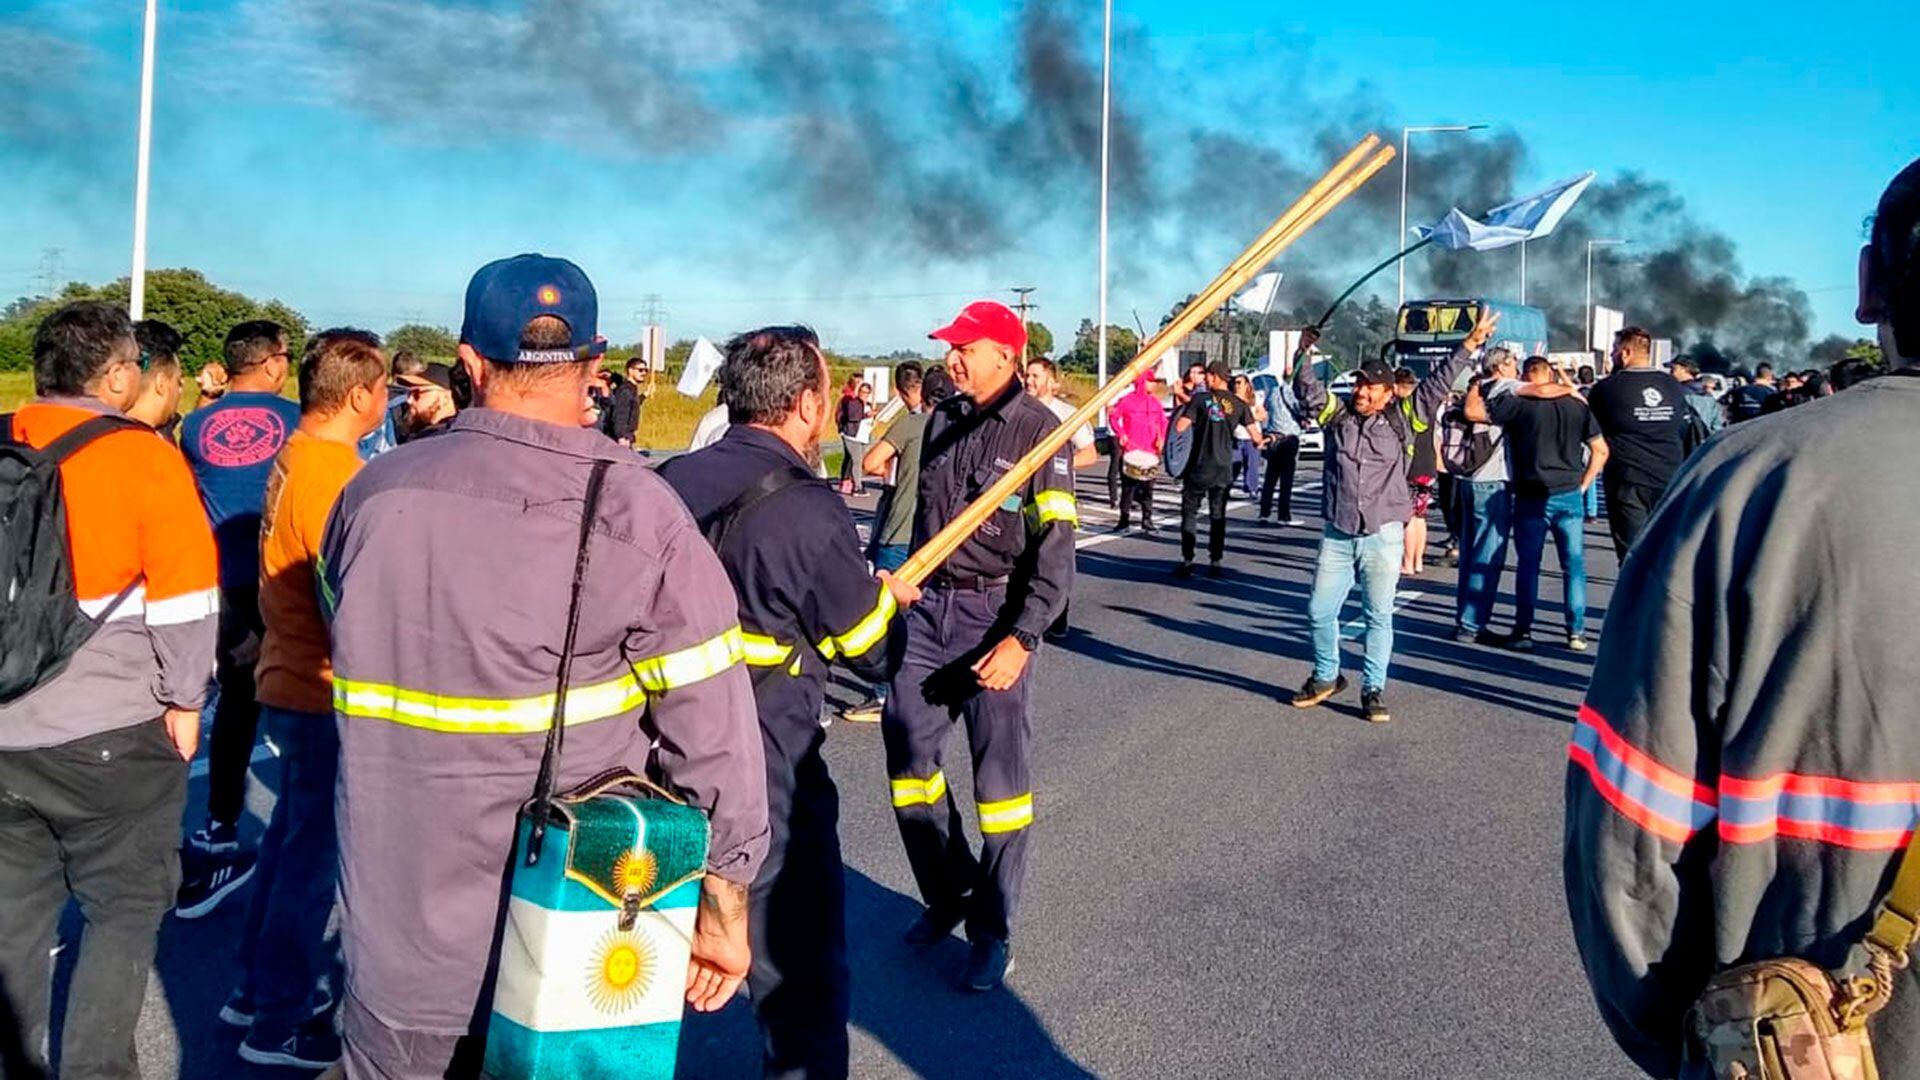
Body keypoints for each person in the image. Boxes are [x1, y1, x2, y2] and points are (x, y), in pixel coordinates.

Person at [320, 254, 769, 1076]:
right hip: (567, 941)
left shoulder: (370, 495)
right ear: (596, 366)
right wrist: (724, 901)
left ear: (468, 360)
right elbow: (716, 737)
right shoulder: (641, 511)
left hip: (393, 955)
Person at [1564, 157, 1920, 1079]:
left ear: (1870, 283)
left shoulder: (1749, 481)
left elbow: (1630, 834)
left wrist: (1693, 1042)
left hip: (1826, 1038)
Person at [660, 326, 920, 1079]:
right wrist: (885, 601)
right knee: (801, 990)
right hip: (767, 770)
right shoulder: (808, 508)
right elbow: (872, 651)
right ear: (808, 404)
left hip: (658, 763)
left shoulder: (668, 482)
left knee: (628, 988)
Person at [0, 301, 219, 1079]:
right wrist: (187, 704)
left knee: (13, 922)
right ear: (121, 375)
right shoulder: (144, 458)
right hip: (111, 730)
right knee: (122, 914)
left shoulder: (6, 436)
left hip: (4, 731)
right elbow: (187, 604)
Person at [884, 299, 1075, 992]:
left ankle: (992, 932)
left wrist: (1024, 636)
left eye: (965, 346)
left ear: (1006, 352)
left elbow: (1056, 550)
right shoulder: (942, 419)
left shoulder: (1041, 432)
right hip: (930, 611)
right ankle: (948, 892)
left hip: (996, 617)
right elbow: (924, 520)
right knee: (907, 758)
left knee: (1001, 792)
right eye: (949, 346)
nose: (951, 358)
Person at [222, 330, 389, 1070]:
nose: (388, 403)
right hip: (322, 682)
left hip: (285, 672)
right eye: (385, 389)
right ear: (359, 395)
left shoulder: (295, 454)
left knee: (290, 840)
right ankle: (280, 1018)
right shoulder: (338, 478)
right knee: (312, 858)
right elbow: (346, 595)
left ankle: (257, 992)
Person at [1291, 316, 1492, 722]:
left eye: (1371, 387)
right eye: (1360, 384)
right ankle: (1327, 674)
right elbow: (1307, 390)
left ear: (1386, 394)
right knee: (1318, 611)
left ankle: (1373, 688)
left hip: (1383, 535)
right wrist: (1302, 350)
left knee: (1377, 615)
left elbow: (1437, 382)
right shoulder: (1337, 415)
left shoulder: (1405, 418)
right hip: (1338, 531)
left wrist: (1468, 345)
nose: (1362, 391)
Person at [175, 319, 303, 917]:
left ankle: (219, 828)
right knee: (308, 697)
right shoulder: (301, 420)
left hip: (225, 584)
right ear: (274, 363)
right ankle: (307, 823)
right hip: (290, 577)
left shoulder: (194, 426)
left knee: (237, 706)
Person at [1470, 356, 1609, 652]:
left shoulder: (1518, 405)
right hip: (1569, 493)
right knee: (1573, 565)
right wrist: (1584, 485)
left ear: (1524, 376)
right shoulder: (1576, 405)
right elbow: (1601, 451)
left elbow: (1473, 413)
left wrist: (1475, 385)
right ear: (1549, 374)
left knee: (1529, 565)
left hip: (1530, 495)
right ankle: (1576, 632)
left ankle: (1523, 631)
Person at [844, 362, 930, 725]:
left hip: (898, 527)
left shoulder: (911, 424)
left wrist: (895, 470)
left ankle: (885, 693)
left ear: (901, 391)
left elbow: (872, 460)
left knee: (887, 611)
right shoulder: (954, 425)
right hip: (930, 530)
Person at [1583, 327, 1693, 560]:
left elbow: (1591, 431)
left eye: (1614, 350)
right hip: (1669, 476)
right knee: (1666, 551)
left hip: (1627, 479)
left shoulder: (1606, 388)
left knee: (1631, 553)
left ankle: (1632, 594)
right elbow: (1683, 427)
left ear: (1625, 353)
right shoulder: (1673, 386)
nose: (1612, 355)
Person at [1451, 350, 1519, 642]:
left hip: (1467, 478)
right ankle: (1472, 623)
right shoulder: (1508, 388)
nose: (1518, 367)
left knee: (1469, 553)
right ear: (1502, 366)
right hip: (1492, 481)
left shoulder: (1476, 389)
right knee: (1488, 555)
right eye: (1514, 362)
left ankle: (1464, 617)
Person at [1172, 361, 1262, 577]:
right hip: (1224, 466)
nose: (1205, 379)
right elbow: (1256, 438)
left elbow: (1180, 426)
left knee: (1190, 513)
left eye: (1207, 375)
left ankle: (1188, 559)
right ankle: (1215, 561)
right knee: (1217, 515)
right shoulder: (1239, 404)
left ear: (1214, 377)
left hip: (1199, 465)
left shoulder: (1200, 399)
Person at [1392, 368, 1440, 576]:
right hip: (1428, 465)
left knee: (1408, 517)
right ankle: (1418, 560)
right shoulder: (1427, 406)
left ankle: (1407, 562)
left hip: (1412, 467)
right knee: (1420, 516)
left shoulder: (1403, 408)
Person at [1109, 371, 1168, 532]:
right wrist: (1121, 434)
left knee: (1149, 488)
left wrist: (1161, 438)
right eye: (1151, 381)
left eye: (1156, 381)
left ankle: (1147, 519)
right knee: (1128, 488)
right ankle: (1124, 519)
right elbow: (1113, 417)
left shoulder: (1156, 403)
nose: (1155, 384)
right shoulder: (1127, 401)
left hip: (1150, 452)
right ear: (1143, 381)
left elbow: (1163, 422)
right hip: (1131, 451)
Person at [1025, 357, 1099, 469]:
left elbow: (1089, 454)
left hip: (1054, 484)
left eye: (1035, 376)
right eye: (1027, 376)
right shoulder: (1016, 410)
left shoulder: (1068, 414)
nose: (1028, 381)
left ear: (1050, 382)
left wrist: (1056, 466)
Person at [1256, 361, 1306, 526]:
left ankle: (1264, 512)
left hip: (1273, 438)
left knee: (1270, 478)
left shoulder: (1273, 392)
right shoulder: (1292, 393)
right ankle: (1284, 515)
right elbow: (1299, 409)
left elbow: (1266, 409)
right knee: (1286, 479)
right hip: (1288, 439)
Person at [129, 318, 188, 441]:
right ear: (161, 384)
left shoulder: (95, 431)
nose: (180, 389)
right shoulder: (158, 451)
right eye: (177, 381)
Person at [1229, 373, 1268, 500]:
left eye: (1240, 382)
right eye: (1235, 382)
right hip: (1236, 436)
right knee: (1233, 463)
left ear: (1247, 385)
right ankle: (1226, 487)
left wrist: (1249, 417)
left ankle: (1252, 488)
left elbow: (1262, 415)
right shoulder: (1231, 399)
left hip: (1251, 436)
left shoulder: (1255, 398)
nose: (1237, 385)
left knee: (1252, 464)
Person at [1669, 355, 1726, 435]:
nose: (1671, 373)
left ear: (1686, 369)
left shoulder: (1676, 393)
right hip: (1706, 443)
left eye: (1673, 369)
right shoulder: (1709, 397)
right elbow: (1717, 426)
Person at [835, 375, 868, 494]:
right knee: (855, 459)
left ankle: (847, 481)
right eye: (859, 382)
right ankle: (856, 485)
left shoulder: (856, 398)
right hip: (850, 431)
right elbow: (853, 415)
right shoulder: (849, 398)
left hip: (855, 431)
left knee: (850, 458)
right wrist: (866, 415)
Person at [608, 356, 651, 447]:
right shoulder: (625, 390)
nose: (643, 373)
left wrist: (644, 395)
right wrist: (621, 437)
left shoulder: (631, 389)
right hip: (622, 439)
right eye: (640, 370)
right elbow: (620, 414)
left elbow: (633, 405)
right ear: (630, 371)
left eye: (645, 370)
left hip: (628, 436)